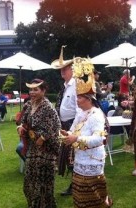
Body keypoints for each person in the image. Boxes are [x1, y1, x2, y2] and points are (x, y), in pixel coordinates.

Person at [61, 57, 112, 207]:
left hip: (92, 162)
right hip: (80, 160)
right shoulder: (81, 113)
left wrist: (75, 138)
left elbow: (98, 140)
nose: (77, 100)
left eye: (80, 97)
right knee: (79, 196)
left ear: (89, 99)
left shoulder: (96, 115)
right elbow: (72, 130)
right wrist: (66, 134)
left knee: (94, 198)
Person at [17, 79, 61, 207]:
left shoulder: (48, 107)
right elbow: (23, 121)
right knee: (29, 182)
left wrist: (44, 137)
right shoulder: (28, 105)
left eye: (36, 89)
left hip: (47, 150)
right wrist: (20, 127)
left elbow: (57, 126)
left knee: (43, 185)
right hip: (32, 148)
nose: (32, 92)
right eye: (30, 89)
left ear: (43, 91)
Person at [51, 46, 78, 196]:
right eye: (61, 69)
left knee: (72, 157)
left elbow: (80, 109)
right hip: (64, 125)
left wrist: (73, 130)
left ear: (72, 69)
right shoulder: (66, 86)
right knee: (68, 157)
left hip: (73, 126)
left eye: (65, 69)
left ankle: (75, 185)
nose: (62, 72)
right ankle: (74, 184)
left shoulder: (76, 85)